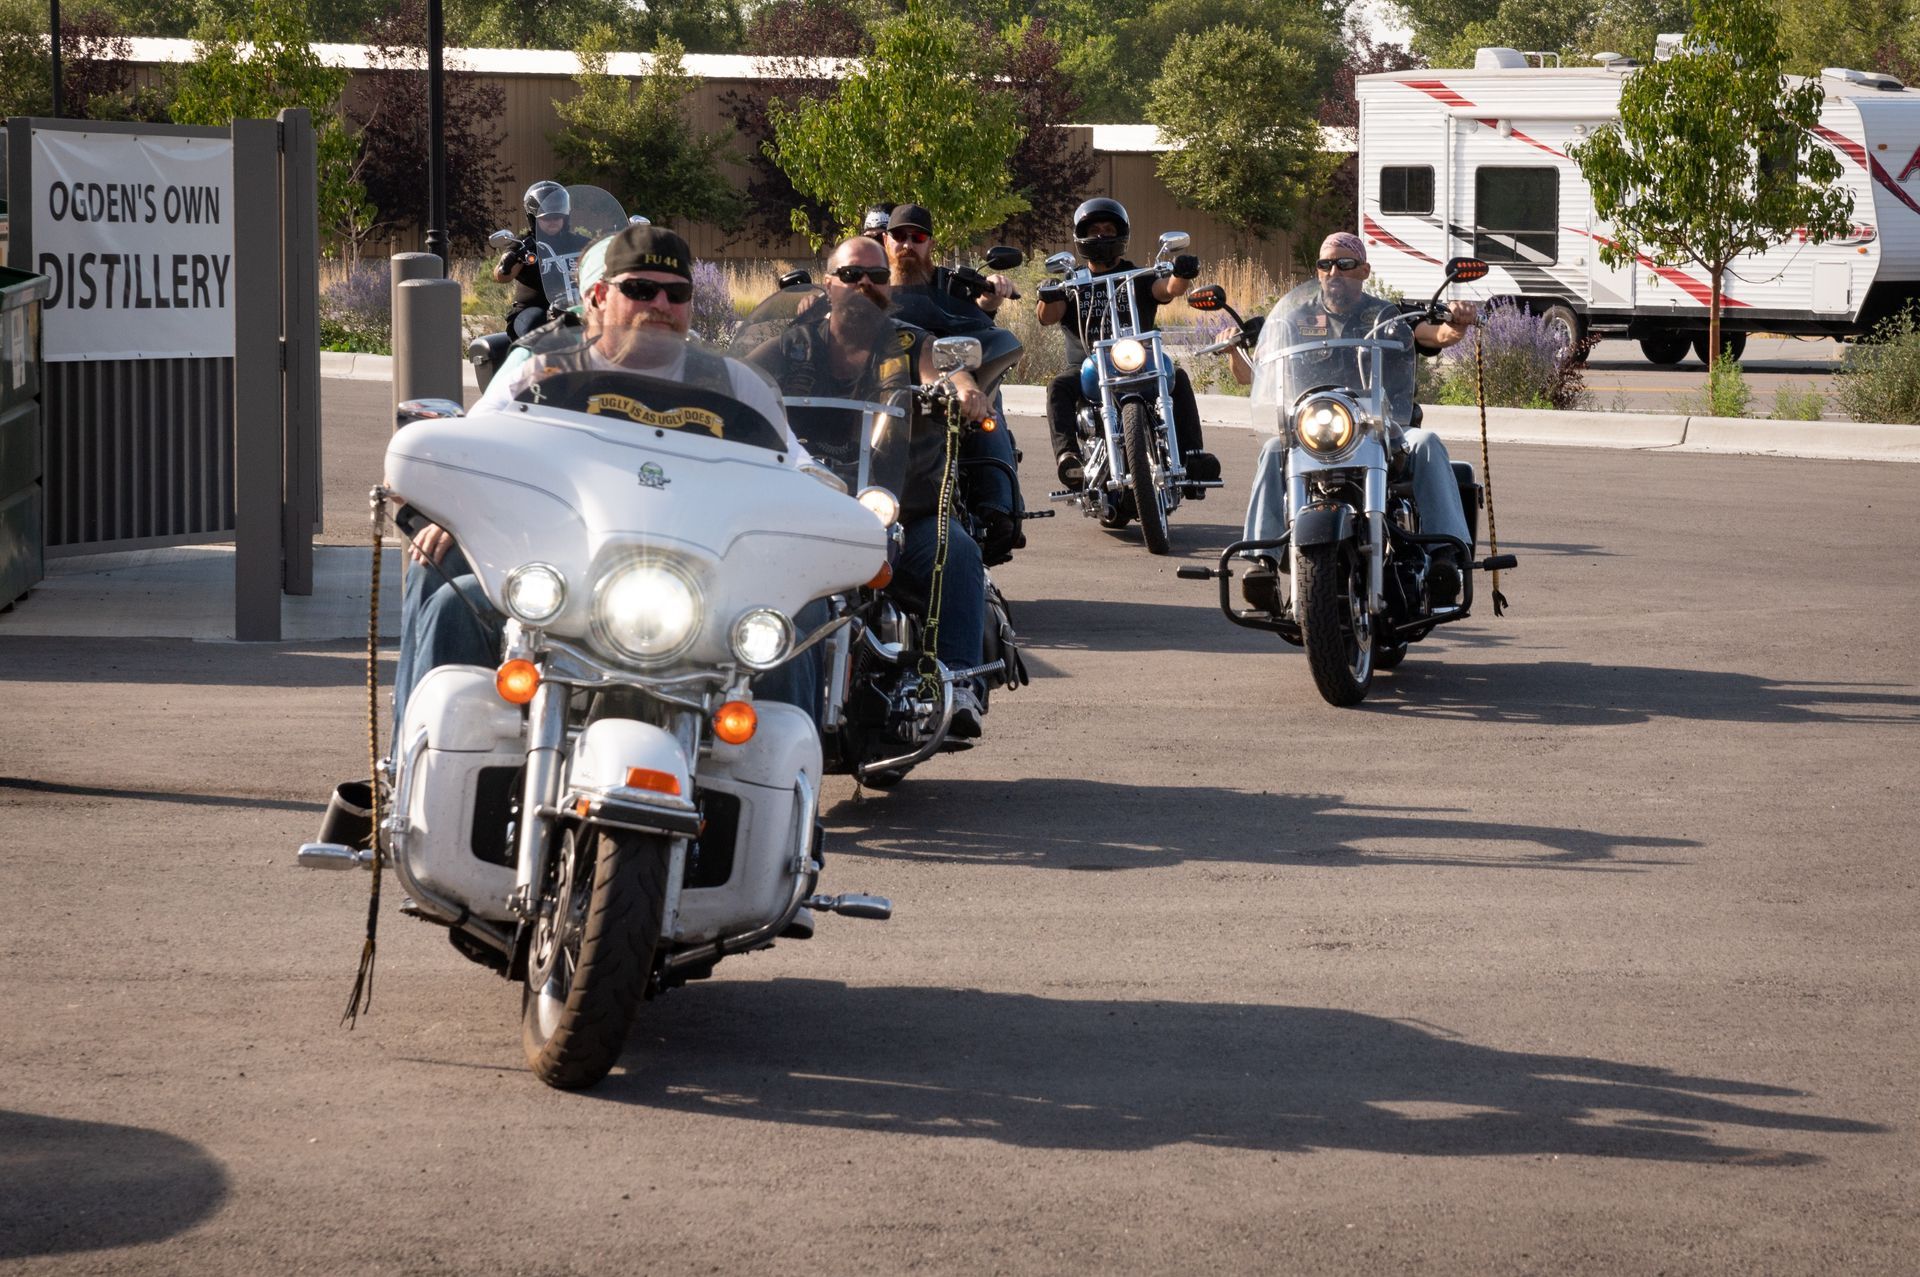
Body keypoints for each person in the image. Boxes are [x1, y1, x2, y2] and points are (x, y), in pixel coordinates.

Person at [393, 225, 798, 727]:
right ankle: (408, 771)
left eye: (677, 294)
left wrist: (842, 508)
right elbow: (479, 454)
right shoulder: (541, 380)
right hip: (560, 581)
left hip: (699, 590)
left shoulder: (739, 391)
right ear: (599, 297)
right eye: (640, 290)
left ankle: (782, 784)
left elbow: (796, 472)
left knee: (799, 622)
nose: (660, 305)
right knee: (452, 599)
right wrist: (451, 508)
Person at [745, 235, 996, 737]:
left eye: (877, 277)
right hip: (811, 506)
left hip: (897, 504)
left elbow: (945, 372)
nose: (865, 285)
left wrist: (965, 392)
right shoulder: (796, 344)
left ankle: (958, 681)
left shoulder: (908, 341)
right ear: (829, 283)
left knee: (957, 551)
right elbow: (742, 380)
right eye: (852, 275)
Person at [1239, 231, 1479, 612]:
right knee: (1272, 449)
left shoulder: (1387, 316)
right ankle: (1263, 562)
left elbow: (1437, 334)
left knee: (1428, 442)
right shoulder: (1295, 317)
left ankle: (1445, 557)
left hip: (1381, 428)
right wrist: (1235, 345)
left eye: (1345, 264)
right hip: (1315, 430)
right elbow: (1248, 373)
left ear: (1364, 270)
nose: (1334, 271)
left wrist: (1459, 323)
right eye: (1325, 264)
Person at [1036, 197, 1218, 493]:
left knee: (1178, 376)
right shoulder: (1072, 283)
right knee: (1057, 385)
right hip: (1086, 368)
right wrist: (1048, 295)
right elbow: (1047, 316)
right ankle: (1068, 458)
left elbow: (1167, 289)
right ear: (1082, 235)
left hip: (1138, 361)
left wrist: (1181, 274)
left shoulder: (1138, 276)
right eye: (1095, 229)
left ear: (1121, 234)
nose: (1101, 235)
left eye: (1108, 229)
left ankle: (1193, 457)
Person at [878, 203, 1024, 563]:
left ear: (931, 243)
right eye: (899, 236)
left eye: (918, 237)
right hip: (882, 390)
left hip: (949, 390)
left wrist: (989, 299)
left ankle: (998, 508)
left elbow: (978, 320)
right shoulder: (870, 286)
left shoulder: (952, 285)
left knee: (987, 410)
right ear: (885, 240)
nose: (908, 244)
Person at [494, 181, 589, 340]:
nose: (552, 221)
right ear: (533, 218)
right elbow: (502, 276)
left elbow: (601, 258)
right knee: (535, 324)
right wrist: (508, 261)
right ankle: (536, 363)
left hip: (572, 306)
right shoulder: (524, 245)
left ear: (565, 217)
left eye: (557, 217)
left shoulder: (580, 243)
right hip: (531, 309)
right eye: (546, 218)